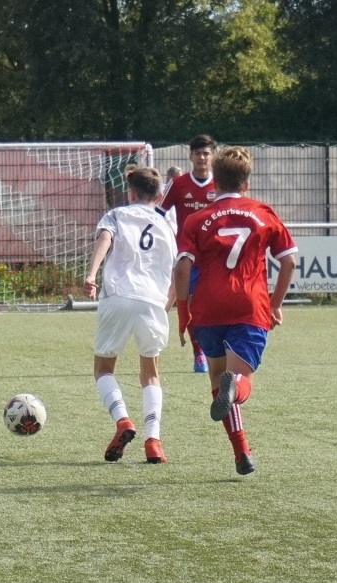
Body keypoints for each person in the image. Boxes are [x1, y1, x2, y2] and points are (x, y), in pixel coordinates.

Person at [173, 146, 298, 476]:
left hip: (207, 307)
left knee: (217, 378)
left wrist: (183, 313)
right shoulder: (262, 212)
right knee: (241, 381)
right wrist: (275, 304)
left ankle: (241, 452)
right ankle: (237, 385)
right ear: (246, 182)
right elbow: (288, 261)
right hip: (248, 305)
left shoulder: (197, 219)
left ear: (214, 182)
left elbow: (182, 268)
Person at [83, 166, 177, 464]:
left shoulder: (117, 215)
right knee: (151, 373)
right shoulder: (167, 224)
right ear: (158, 196)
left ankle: (123, 420)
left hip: (119, 296)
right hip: (153, 302)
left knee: (103, 369)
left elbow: (105, 239)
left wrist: (91, 275)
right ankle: (153, 441)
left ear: (131, 193)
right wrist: (166, 305)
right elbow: (177, 270)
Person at [159, 134, 217, 374]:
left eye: (206, 153)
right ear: (190, 156)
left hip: (216, 256)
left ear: (212, 156)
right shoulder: (178, 184)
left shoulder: (220, 183)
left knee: (216, 304)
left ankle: (218, 347)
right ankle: (198, 352)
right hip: (188, 256)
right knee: (191, 304)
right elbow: (158, 213)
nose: (202, 158)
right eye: (198, 153)